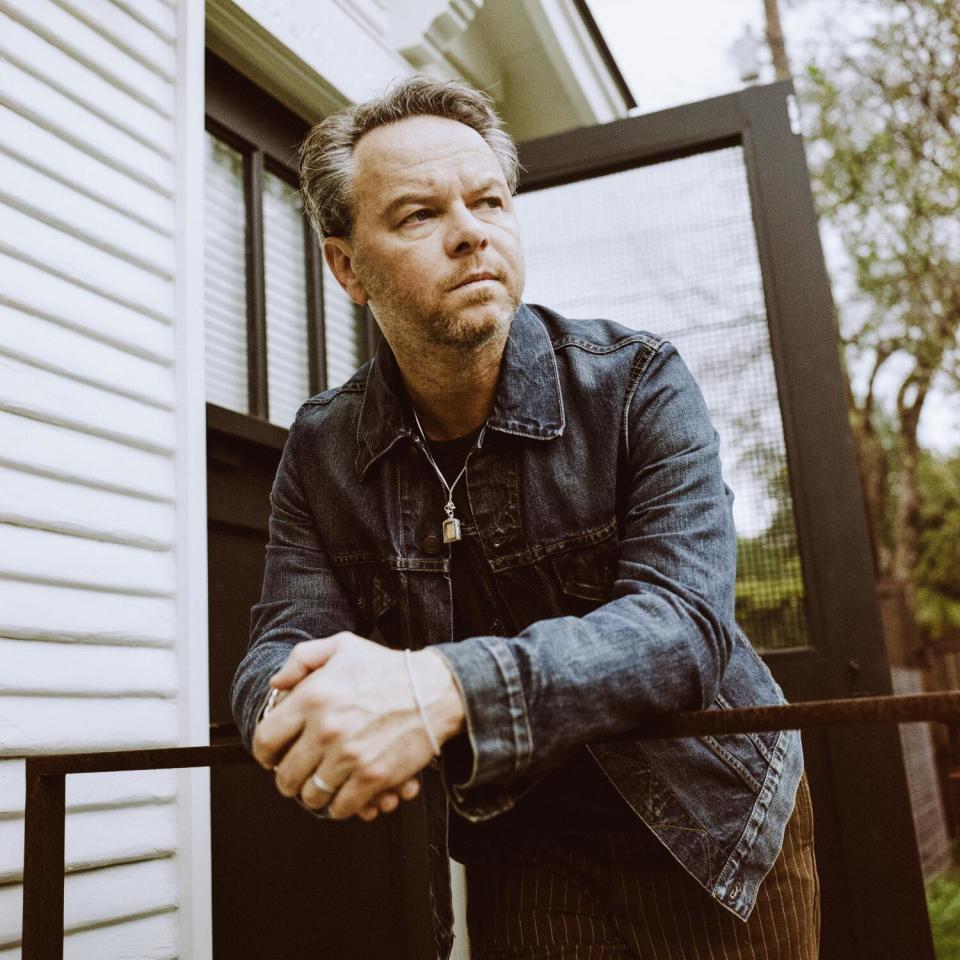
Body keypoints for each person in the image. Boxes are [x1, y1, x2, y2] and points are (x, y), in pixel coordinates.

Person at [231, 75, 820, 959]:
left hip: (713, 816)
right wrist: (292, 716)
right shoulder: (322, 450)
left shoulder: (638, 383)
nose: (471, 231)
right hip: (521, 834)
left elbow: (685, 626)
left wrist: (442, 687)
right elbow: (278, 649)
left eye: (490, 201)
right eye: (419, 215)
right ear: (347, 266)